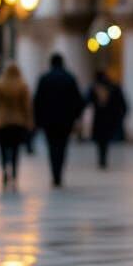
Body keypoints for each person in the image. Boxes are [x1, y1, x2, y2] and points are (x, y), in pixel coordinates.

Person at [33, 53, 84, 187]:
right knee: (62, 146)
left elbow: (38, 101)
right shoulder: (69, 78)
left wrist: (38, 120)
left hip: (48, 120)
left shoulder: (44, 78)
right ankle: (59, 173)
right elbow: (77, 100)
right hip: (65, 120)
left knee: (51, 147)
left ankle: (54, 173)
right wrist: (76, 116)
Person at [0, 64, 33, 189]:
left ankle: (4, 170)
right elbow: (27, 106)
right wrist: (29, 121)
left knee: (3, 148)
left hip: (1, 121)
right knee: (16, 149)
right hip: (17, 121)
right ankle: (15, 173)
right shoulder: (22, 85)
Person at [86, 70, 127, 169]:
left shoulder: (94, 88)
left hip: (100, 118)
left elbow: (86, 101)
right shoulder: (112, 87)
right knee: (104, 140)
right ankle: (103, 158)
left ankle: (102, 159)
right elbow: (122, 103)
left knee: (101, 140)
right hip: (108, 118)